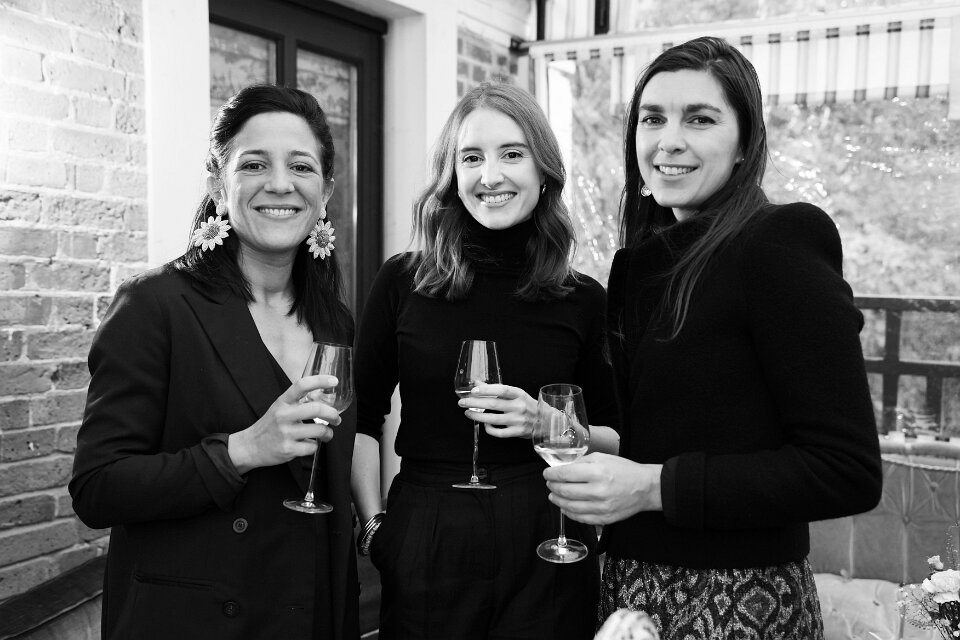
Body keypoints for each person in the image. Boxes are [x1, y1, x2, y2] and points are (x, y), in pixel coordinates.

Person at [543, 37, 883, 639]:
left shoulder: (779, 242)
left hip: (741, 600)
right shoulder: (638, 266)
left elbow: (846, 469)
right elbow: (651, 435)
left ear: (746, 143)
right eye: (653, 118)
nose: (668, 140)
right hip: (630, 590)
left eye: (699, 119)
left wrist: (652, 488)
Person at [69, 85, 359, 640]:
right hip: (194, 621)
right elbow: (97, 488)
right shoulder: (155, 305)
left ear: (325, 193)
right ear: (217, 187)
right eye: (254, 164)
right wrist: (241, 450)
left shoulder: (334, 322)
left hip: (305, 612)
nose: (281, 183)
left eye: (301, 166)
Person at [352, 82, 620, 639]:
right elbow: (361, 418)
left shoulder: (583, 298)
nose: (490, 176)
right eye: (471, 157)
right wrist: (376, 529)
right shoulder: (402, 281)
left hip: (549, 536)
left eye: (512, 154)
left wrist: (546, 423)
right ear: (452, 174)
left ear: (544, 170)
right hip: (427, 531)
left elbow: (619, 438)